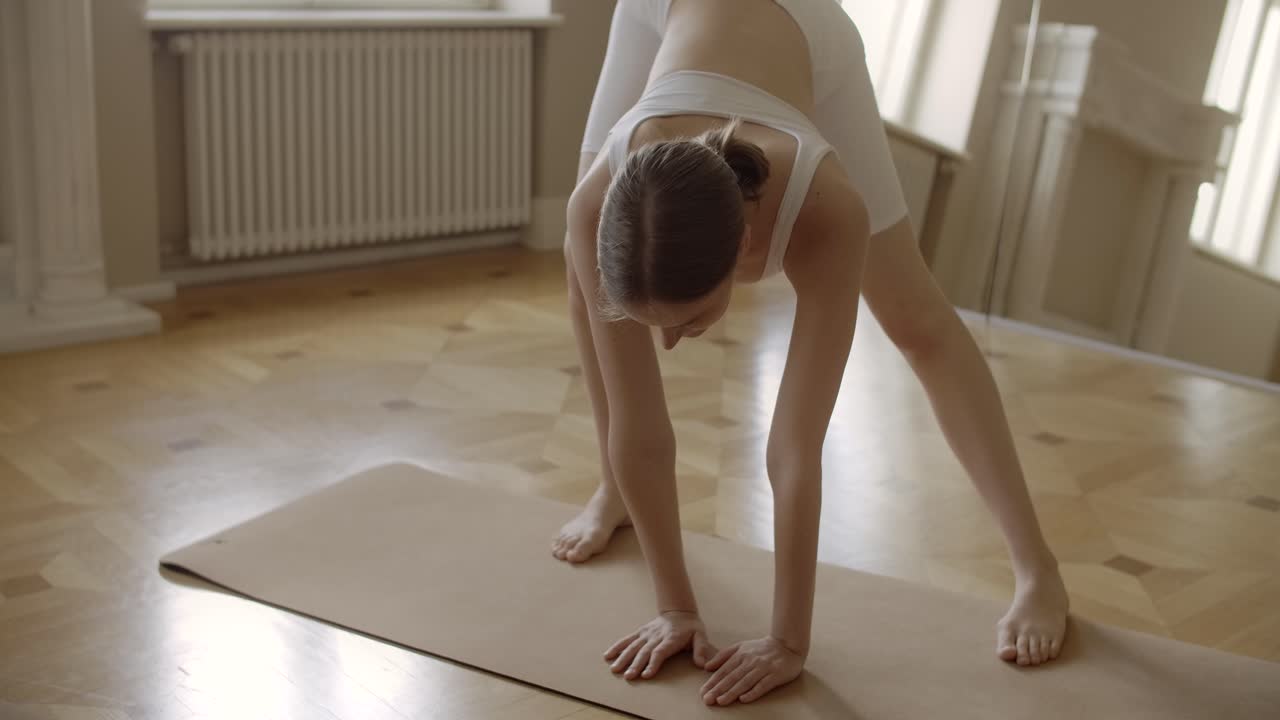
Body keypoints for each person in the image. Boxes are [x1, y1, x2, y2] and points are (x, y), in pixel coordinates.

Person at [552, 0, 1070, 706]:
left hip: (802, 26)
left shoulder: (827, 207)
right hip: (662, 9)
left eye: (688, 318)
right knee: (589, 289)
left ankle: (1038, 568)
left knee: (919, 322)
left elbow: (793, 449)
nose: (668, 343)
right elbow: (642, 432)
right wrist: (675, 606)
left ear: (743, 249)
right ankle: (615, 496)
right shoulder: (596, 204)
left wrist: (789, 640)